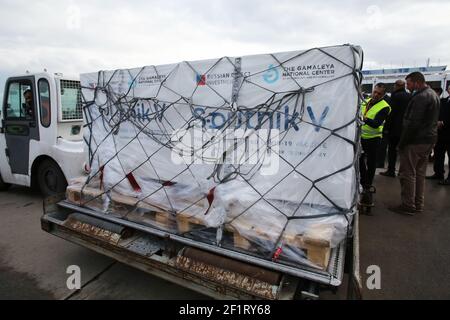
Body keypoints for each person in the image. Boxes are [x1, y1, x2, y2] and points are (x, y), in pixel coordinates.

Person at [389, 72, 440, 215]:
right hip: (428, 140)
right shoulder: (433, 94)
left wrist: (402, 143)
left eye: (409, 84)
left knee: (407, 173)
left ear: (417, 82)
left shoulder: (420, 98)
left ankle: (408, 205)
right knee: (419, 173)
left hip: (415, 141)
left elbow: (412, 124)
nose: (407, 86)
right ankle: (418, 203)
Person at [359, 83, 391, 206]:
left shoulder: (385, 107)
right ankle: (363, 181)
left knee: (371, 163)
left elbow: (376, 123)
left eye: (379, 93)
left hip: (374, 138)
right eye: (375, 92)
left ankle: (368, 185)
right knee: (360, 159)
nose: (376, 95)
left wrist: (364, 118)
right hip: (361, 137)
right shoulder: (365, 101)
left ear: (383, 95)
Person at [380, 80, 411, 177]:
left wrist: (386, 128)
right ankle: (403, 171)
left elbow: (391, 113)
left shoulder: (395, 96)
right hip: (405, 128)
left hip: (394, 128)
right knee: (403, 152)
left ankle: (391, 170)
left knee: (392, 150)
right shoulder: (409, 96)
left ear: (397, 86)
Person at [426, 87, 450, 182]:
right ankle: (438, 173)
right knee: (438, 153)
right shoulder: (443, 101)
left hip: (448, 131)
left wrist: (443, 123)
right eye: (449, 88)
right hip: (441, 133)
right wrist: (437, 121)